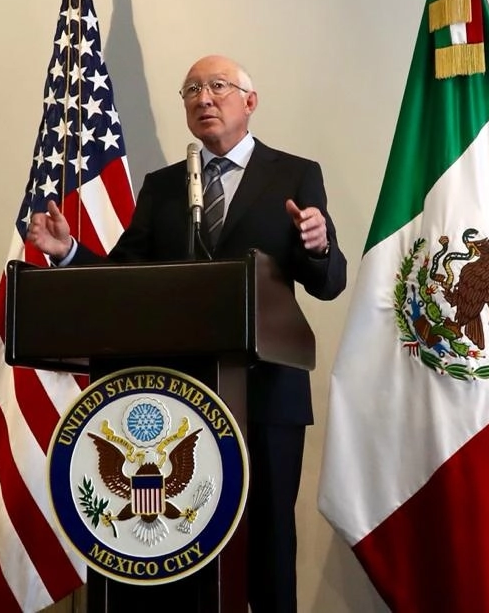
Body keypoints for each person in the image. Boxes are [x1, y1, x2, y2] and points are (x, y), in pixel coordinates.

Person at [28, 54, 347, 613]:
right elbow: (126, 280)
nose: (204, 98)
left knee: (268, 542)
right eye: (192, 89)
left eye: (218, 86)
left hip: (267, 394)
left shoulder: (295, 174)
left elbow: (327, 284)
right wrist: (70, 253)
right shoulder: (165, 186)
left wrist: (319, 245)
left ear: (249, 101)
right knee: (181, 543)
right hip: (179, 403)